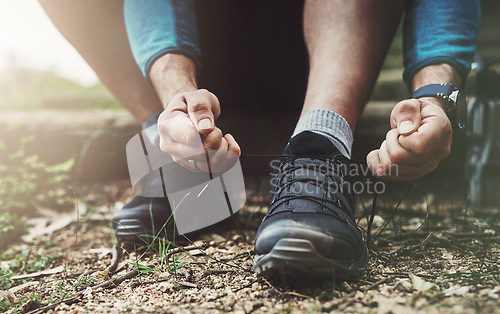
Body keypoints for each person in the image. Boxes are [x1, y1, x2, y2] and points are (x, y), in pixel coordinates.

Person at [40, 0, 480, 280]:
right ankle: (180, 149)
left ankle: (318, 148)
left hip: (332, 45)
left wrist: (436, 95)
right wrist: (178, 100)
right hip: (200, 50)